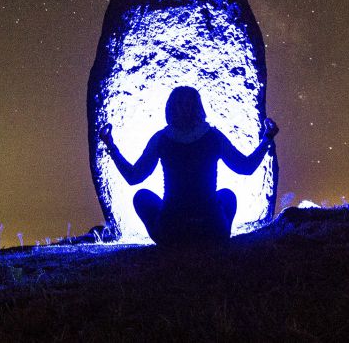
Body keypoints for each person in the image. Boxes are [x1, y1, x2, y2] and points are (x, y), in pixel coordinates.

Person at [98, 86, 279, 246]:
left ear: (169, 109)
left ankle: (173, 239)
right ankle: (219, 239)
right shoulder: (213, 137)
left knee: (141, 197)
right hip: (212, 230)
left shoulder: (161, 139)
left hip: (170, 232)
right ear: (198, 108)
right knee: (227, 195)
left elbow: (133, 177)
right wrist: (267, 138)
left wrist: (111, 146)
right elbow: (245, 167)